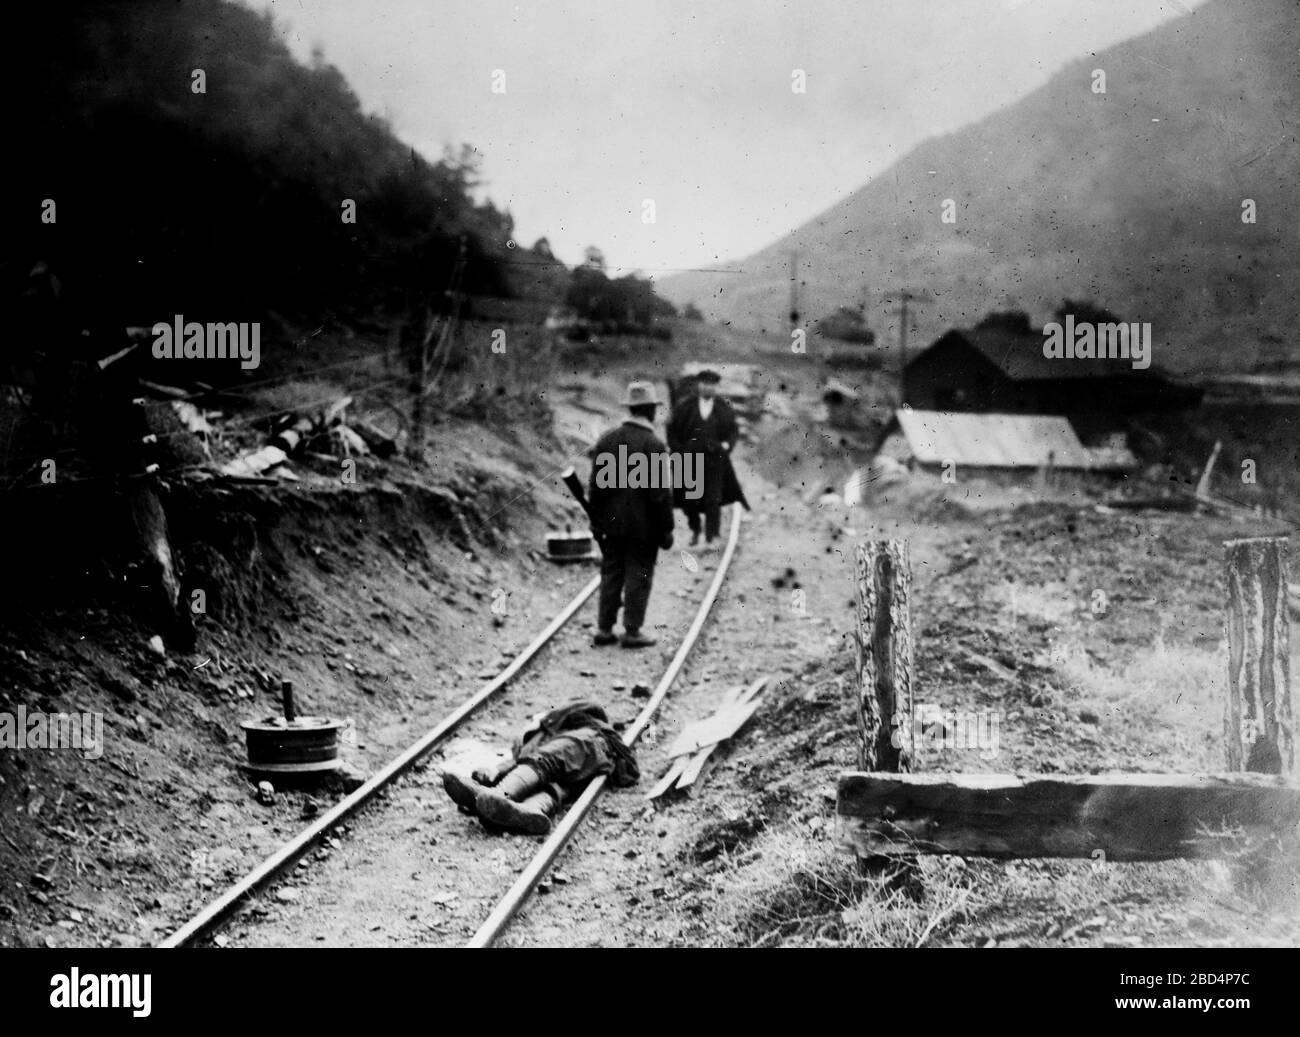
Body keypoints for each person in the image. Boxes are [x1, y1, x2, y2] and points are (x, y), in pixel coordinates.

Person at [442, 701, 640, 835]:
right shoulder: (545, 743)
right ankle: (529, 810)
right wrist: (494, 772)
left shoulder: (576, 724)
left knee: (549, 759)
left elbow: (536, 759)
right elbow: (525, 762)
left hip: (590, 744)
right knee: (558, 784)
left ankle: (497, 795)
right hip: (587, 764)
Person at [587, 380, 674, 649]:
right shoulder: (655, 446)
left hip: (611, 524)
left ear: (630, 409)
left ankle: (603, 629)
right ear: (650, 410)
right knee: (640, 574)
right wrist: (666, 529)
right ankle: (632, 631)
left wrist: (596, 520)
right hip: (643, 527)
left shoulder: (607, 440)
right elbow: (660, 496)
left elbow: (596, 487)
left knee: (611, 571)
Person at [667, 368, 748, 549]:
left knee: (713, 498)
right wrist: (678, 450)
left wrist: (727, 445)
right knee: (689, 500)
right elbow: (671, 430)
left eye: (712, 384)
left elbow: (733, 430)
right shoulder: (685, 406)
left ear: (716, 387)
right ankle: (695, 528)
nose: (708, 388)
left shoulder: (723, 407)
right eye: (704, 383)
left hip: (714, 460)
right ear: (698, 385)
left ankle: (712, 537)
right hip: (689, 460)